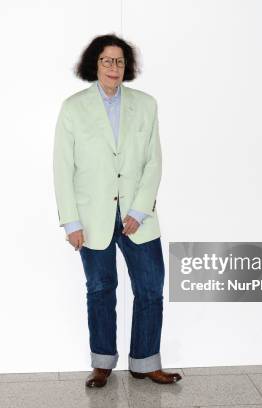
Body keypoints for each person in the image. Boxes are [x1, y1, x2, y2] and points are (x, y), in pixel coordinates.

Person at [53, 33, 182, 388]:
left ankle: (145, 361)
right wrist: (71, 222)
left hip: (137, 217)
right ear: (94, 64)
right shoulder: (73, 108)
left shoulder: (146, 104)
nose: (114, 67)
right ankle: (102, 363)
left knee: (151, 287)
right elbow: (63, 168)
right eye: (107, 61)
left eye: (120, 61)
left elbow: (154, 162)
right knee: (100, 289)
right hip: (92, 217)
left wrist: (139, 210)